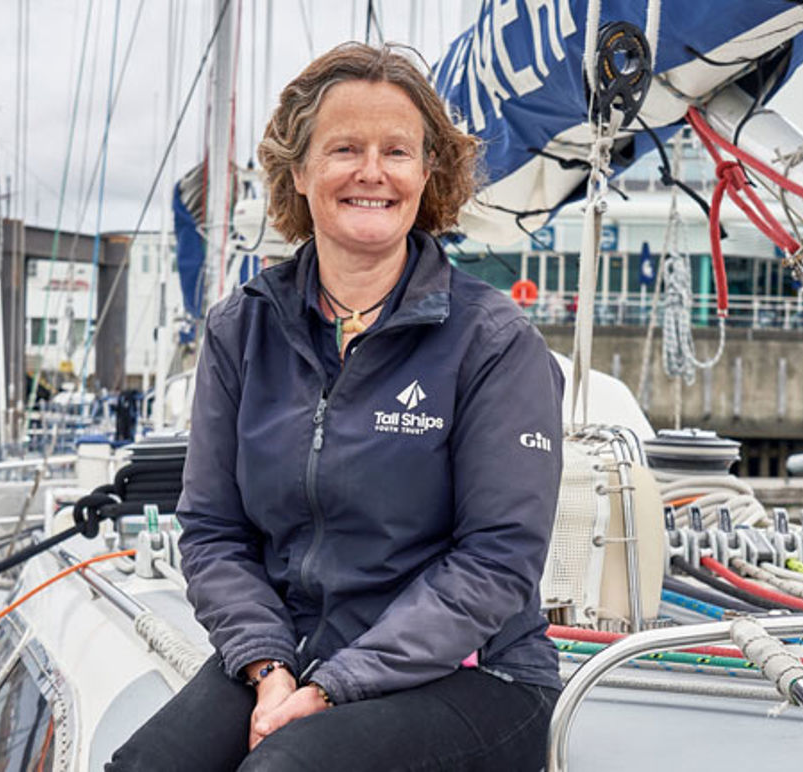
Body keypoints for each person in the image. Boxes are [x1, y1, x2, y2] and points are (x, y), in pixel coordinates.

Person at [108, 42, 564, 772]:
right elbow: (214, 531)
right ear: (299, 170)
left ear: (428, 173)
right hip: (295, 650)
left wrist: (330, 688)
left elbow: (497, 561)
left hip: (475, 676)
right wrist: (268, 666)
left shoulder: (494, 343)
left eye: (397, 151)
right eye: (344, 148)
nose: (372, 173)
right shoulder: (241, 330)